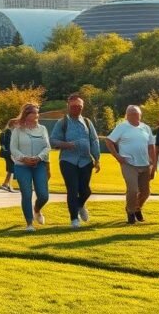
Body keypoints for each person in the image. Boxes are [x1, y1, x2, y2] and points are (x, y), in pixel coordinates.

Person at [50, 93, 101, 229]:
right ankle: (74, 219)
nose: (77, 108)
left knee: (86, 191)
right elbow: (53, 140)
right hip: (68, 160)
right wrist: (67, 145)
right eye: (74, 106)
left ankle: (80, 205)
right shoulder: (62, 123)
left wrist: (97, 159)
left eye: (79, 106)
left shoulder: (87, 122)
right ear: (68, 106)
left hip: (85, 160)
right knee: (72, 190)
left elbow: (94, 140)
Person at [106, 105, 156, 225]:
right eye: (131, 113)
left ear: (140, 115)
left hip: (144, 164)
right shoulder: (122, 127)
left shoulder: (146, 128)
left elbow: (151, 146)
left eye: (136, 113)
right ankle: (131, 212)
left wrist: (153, 164)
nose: (134, 116)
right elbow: (109, 141)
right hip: (129, 164)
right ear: (127, 115)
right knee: (133, 190)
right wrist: (117, 156)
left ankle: (137, 207)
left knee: (145, 192)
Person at [10, 103, 50, 231]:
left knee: (43, 195)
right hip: (22, 166)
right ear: (26, 114)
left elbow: (47, 146)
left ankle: (37, 210)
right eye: (33, 112)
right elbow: (13, 148)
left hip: (39, 164)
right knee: (26, 194)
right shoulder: (18, 130)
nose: (36, 115)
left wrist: (38, 157)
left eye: (37, 112)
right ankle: (29, 223)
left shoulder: (42, 129)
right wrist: (24, 158)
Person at [0, 117, 19, 192]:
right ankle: (10, 186)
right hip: (8, 153)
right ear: (13, 124)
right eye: (17, 123)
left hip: (8, 153)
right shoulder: (8, 131)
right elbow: (8, 144)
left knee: (11, 170)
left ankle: (5, 184)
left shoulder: (10, 131)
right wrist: (11, 154)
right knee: (12, 169)